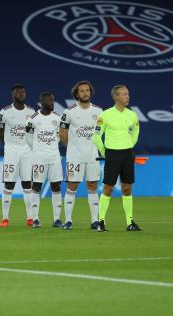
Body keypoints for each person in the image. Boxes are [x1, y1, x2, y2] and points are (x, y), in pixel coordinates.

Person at [93, 85, 141, 232]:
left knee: (127, 188)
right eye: (124, 94)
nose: (128, 97)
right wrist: (104, 152)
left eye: (128, 94)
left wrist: (130, 144)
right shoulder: (105, 115)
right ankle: (101, 222)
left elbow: (136, 131)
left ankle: (130, 222)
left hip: (127, 154)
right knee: (108, 188)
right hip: (112, 154)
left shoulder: (132, 115)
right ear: (116, 97)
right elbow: (96, 136)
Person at [59, 81, 102, 230]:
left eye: (87, 90)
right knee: (72, 186)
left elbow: (101, 133)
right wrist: (72, 148)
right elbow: (62, 133)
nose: (85, 93)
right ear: (77, 94)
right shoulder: (69, 112)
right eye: (82, 91)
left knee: (92, 186)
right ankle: (68, 220)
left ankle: (95, 221)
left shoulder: (98, 111)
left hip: (92, 156)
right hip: (75, 157)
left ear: (90, 92)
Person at [0, 84, 36, 227]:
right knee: (9, 183)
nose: (22, 94)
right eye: (19, 92)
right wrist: (8, 145)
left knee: (27, 184)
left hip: (27, 152)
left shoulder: (32, 112)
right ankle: (5, 218)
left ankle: (30, 218)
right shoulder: (4, 112)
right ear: (13, 95)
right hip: (11, 152)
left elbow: (33, 132)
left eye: (23, 91)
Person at [26, 92, 63, 228]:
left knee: (56, 186)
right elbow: (28, 138)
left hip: (54, 157)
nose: (52, 102)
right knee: (36, 186)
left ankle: (57, 219)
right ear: (42, 102)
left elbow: (59, 136)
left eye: (53, 100)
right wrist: (38, 150)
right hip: (39, 158)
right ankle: (35, 219)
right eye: (49, 100)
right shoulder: (33, 119)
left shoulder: (57, 119)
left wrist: (51, 147)